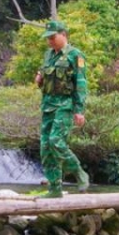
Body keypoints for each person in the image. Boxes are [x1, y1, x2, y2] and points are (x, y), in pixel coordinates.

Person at [34, 19, 89, 198]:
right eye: (48, 38)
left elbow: (80, 84)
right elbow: (44, 78)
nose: (49, 41)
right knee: (45, 147)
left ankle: (79, 172)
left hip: (64, 105)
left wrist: (79, 110)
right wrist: (39, 79)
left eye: (52, 37)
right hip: (48, 106)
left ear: (63, 35)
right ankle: (55, 188)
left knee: (56, 141)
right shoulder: (48, 55)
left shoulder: (75, 55)